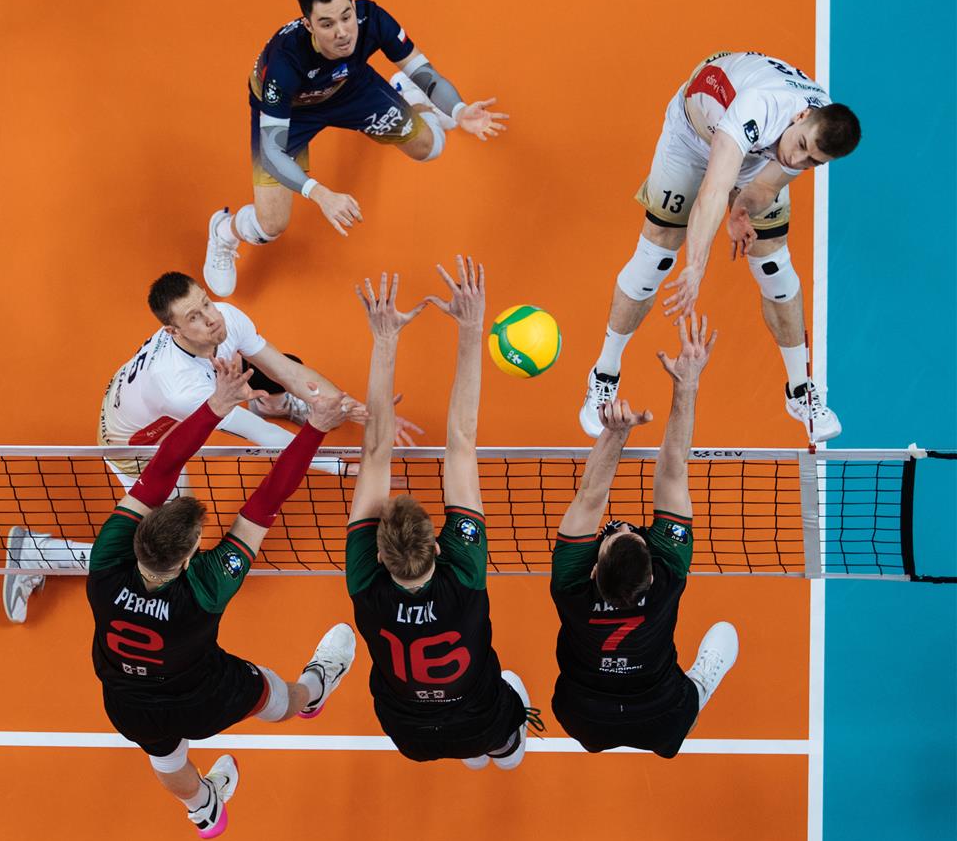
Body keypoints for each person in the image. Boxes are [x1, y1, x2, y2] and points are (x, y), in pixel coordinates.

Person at [3, 271, 419, 623]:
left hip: (157, 418)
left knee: (275, 370)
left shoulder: (226, 317)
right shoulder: (181, 387)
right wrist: (342, 467)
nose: (211, 318)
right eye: (195, 317)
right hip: (135, 447)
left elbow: (288, 372)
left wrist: (365, 410)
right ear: (174, 331)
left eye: (205, 303)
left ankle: (269, 401)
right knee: (165, 550)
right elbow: (264, 438)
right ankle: (36, 553)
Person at [86, 354, 356, 839]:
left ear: (140, 533)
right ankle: (316, 689)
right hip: (203, 695)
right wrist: (313, 428)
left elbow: (162, 468)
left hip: (128, 701)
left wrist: (215, 406)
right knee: (278, 698)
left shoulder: (106, 561)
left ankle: (202, 809)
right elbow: (266, 500)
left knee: (165, 757)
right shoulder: (205, 588)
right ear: (188, 557)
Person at [580, 51, 861, 443]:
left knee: (774, 265)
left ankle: (800, 391)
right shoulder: (761, 107)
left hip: (753, 151)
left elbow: (765, 185)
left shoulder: (813, 138)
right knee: (656, 257)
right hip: (694, 136)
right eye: (800, 146)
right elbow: (713, 190)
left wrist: (741, 211)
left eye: (812, 161)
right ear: (800, 117)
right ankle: (604, 374)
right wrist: (695, 266)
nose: (797, 158)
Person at [344, 260, 542, 770]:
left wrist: (385, 341)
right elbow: (460, 442)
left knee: (460, 725)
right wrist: (472, 330)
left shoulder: (374, 581)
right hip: (482, 719)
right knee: (501, 735)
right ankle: (503, 749)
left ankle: (478, 752)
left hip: (408, 733)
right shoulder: (451, 577)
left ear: (381, 556)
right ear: (436, 547)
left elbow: (375, 453)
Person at [204, 0, 507, 296]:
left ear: (352, 5)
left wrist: (459, 111)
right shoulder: (284, 64)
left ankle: (408, 95)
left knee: (431, 148)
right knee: (272, 225)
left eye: (346, 16)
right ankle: (224, 231)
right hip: (293, 113)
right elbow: (272, 152)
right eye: (327, 24)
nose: (342, 32)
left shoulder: (372, 18)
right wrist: (320, 194)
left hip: (349, 88)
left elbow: (424, 73)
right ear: (309, 25)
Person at [554, 313, 738, 757]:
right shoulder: (666, 575)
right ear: (651, 575)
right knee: (721, 645)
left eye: (614, 534)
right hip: (664, 714)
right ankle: (700, 683)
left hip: (584, 715)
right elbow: (673, 471)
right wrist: (687, 384)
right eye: (628, 534)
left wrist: (614, 433)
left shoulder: (571, 586)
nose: (621, 526)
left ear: (594, 568)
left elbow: (591, 495)